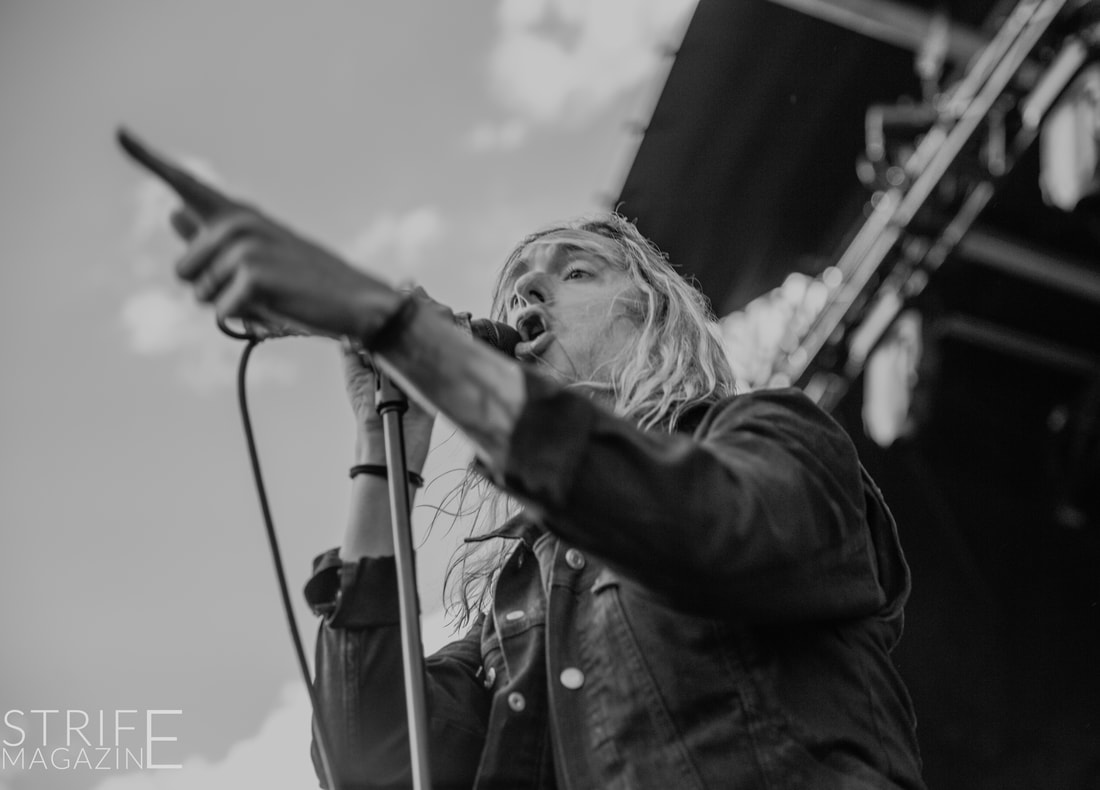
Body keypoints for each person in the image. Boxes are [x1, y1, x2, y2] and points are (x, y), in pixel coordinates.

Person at [166, 173, 925, 788]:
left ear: (652, 311)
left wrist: (403, 331)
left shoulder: (777, 435)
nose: (529, 295)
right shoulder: (518, 607)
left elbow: (700, 527)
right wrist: (383, 446)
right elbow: (370, 763)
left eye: (575, 271)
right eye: (517, 291)